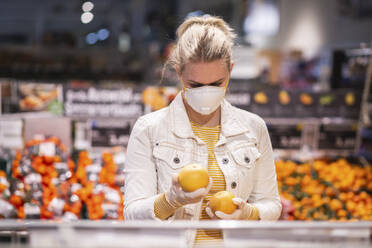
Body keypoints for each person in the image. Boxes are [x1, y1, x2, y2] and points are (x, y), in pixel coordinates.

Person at [124, 15, 282, 247]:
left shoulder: (252, 128)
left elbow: (271, 204)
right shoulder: (149, 129)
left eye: (217, 83)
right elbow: (132, 214)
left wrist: (247, 212)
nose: (206, 92)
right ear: (178, 73)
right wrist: (171, 200)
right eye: (195, 85)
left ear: (231, 71)